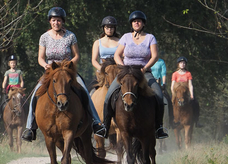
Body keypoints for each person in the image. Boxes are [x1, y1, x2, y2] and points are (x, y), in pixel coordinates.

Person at [21, 7, 107, 142]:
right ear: (50, 21)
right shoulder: (44, 37)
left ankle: (96, 123)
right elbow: (40, 57)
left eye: (59, 20)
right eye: (54, 20)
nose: (56, 23)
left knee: (84, 90)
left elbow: (77, 55)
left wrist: (68, 65)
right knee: (36, 93)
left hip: (67, 71)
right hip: (51, 71)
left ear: (63, 22)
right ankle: (30, 128)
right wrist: (45, 65)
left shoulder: (70, 36)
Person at [100, 10, 168, 139]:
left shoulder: (150, 38)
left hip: (143, 72)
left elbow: (154, 56)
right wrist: (123, 67)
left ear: (143, 23)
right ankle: (105, 126)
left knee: (159, 95)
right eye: (134, 21)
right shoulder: (126, 37)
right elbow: (117, 55)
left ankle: (159, 127)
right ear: (131, 24)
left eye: (139, 21)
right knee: (109, 95)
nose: (137, 22)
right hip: (126, 72)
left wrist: (145, 67)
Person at [171, 56, 201, 126]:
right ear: (178, 64)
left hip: (186, 93)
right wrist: (173, 94)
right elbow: (172, 86)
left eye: (184, 63)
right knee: (169, 103)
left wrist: (192, 95)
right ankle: (171, 120)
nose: (183, 64)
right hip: (177, 93)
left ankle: (196, 120)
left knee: (195, 103)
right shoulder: (175, 74)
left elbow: (190, 85)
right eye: (181, 63)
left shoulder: (188, 73)